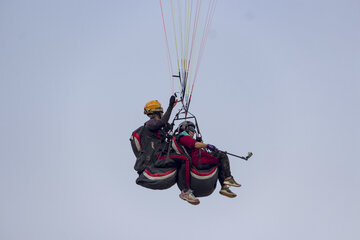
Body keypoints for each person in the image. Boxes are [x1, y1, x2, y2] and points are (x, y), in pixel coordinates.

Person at [143, 96, 200, 205]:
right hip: (158, 157)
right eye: (161, 112)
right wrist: (170, 107)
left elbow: (164, 125)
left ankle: (187, 186)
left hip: (161, 155)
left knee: (183, 156)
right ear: (157, 113)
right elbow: (161, 122)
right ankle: (185, 191)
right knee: (185, 159)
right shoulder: (150, 123)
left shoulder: (157, 127)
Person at [177, 121, 241, 198]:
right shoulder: (184, 137)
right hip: (199, 160)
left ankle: (224, 187)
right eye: (191, 128)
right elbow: (195, 144)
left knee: (220, 162)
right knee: (222, 156)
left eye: (194, 130)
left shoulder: (188, 138)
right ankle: (228, 178)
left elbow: (196, 144)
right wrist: (207, 146)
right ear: (184, 128)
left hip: (201, 158)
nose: (193, 132)